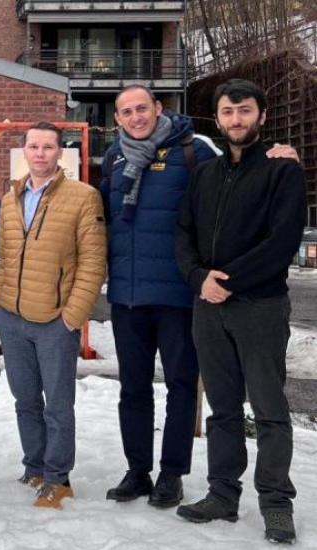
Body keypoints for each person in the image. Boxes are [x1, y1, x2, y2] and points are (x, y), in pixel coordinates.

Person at [174, 79, 306, 545]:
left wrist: (224, 282)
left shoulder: (282, 171)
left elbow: (283, 240)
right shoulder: (204, 175)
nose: (236, 120)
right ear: (218, 118)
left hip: (260, 308)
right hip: (208, 309)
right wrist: (198, 279)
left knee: (270, 410)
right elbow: (183, 234)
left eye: (245, 111)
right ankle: (222, 495)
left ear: (262, 116)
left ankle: (275, 504)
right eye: (228, 112)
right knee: (222, 409)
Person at [99, 85, 219, 508]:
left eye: (141, 108)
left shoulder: (193, 151)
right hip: (127, 297)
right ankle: (138, 470)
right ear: (117, 119)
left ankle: (172, 474)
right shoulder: (114, 158)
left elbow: (233, 190)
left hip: (177, 295)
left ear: (158, 108)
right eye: (126, 111)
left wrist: (278, 157)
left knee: (181, 386)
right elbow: (106, 221)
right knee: (132, 388)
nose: (135, 117)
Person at [0, 121, 106, 510]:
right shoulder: (10, 198)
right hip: (13, 318)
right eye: (34, 146)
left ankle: (58, 478)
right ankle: (35, 466)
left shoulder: (83, 197)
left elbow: (92, 263)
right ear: (25, 151)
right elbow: (4, 258)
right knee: (25, 401)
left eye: (48, 147)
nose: (40, 153)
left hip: (55, 321)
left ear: (60, 152)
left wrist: (72, 316)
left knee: (57, 404)